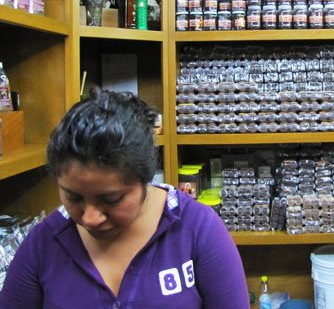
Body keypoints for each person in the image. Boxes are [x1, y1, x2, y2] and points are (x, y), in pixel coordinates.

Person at [0, 90, 250, 308]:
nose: (90, 218)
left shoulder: (197, 230)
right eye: (73, 196)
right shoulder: (43, 245)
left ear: (145, 179)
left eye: (111, 199)